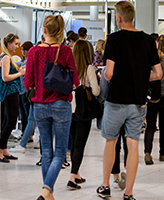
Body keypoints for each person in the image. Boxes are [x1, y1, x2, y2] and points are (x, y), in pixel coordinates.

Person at [96, 2, 162, 200]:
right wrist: (141, 77)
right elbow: (158, 73)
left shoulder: (114, 39)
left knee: (111, 141)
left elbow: (109, 72)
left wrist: (109, 77)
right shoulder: (148, 41)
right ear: (133, 17)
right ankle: (129, 192)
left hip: (116, 100)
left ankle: (106, 185)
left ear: (118, 18)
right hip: (138, 101)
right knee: (133, 144)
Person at [24, 15, 79, 200]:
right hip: (61, 105)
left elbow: (28, 82)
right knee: (60, 152)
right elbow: (75, 81)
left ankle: (48, 194)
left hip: (39, 105)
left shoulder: (33, 52)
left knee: (46, 150)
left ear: (44, 30)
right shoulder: (65, 51)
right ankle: (46, 191)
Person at [67, 39, 100, 190]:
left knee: (74, 142)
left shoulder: (68, 68)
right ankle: (72, 177)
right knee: (80, 145)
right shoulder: (88, 69)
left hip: (69, 108)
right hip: (83, 110)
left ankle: (77, 173)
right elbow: (96, 91)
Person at [144, 35, 164, 165]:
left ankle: (147, 152)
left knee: (150, 125)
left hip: (154, 94)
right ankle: (162, 153)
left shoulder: (154, 59)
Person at [0, 33, 25, 163]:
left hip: (12, 92)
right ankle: (0, 150)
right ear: (9, 43)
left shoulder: (7, 57)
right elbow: (5, 77)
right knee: (11, 121)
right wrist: (20, 73)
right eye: (16, 43)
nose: (17, 46)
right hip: (10, 92)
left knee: (8, 121)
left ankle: (4, 149)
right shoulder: (6, 57)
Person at [9, 41, 36, 153]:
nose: (23, 52)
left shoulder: (30, 61)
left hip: (28, 91)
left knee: (29, 117)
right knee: (24, 115)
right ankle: (25, 136)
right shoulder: (22, 61)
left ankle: (26, 138)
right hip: (22, 90)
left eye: (25, 49)